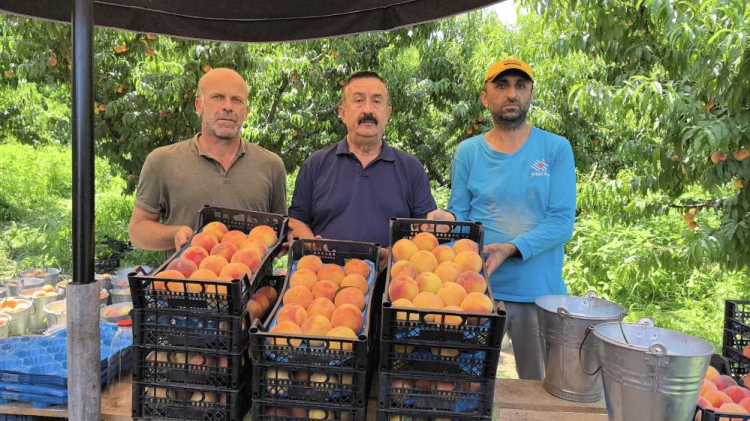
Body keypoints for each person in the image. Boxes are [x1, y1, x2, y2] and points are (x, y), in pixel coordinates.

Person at [447, 58, 576, 380]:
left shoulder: (555, 149)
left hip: (538, 294)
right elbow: (460, 215)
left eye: (521, 86)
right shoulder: (468, 152)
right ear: (485, 97)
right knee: (468, 385)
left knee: (539, 388)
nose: (512, 94)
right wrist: (444, 218)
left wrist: (511, 248)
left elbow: (561, 223)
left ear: (530, 94)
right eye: (502, 85)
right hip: (478, 291)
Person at [288, 71, 452, 249]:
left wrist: (440, 223)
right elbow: (296, 221)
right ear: (343, 113)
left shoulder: (411, 168)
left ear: (387, 114)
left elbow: (425, 230)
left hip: (393, 267)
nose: (367, 110)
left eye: (376, 101)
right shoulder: (315, 164)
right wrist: (313, 246)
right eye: (358, 100)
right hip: (326, 267)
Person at [129, 68, 287, 252]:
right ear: (199, 106)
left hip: (252, 270)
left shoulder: (271, 165)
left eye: (237, 100)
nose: (228, 107)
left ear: (246, 112)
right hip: (189, 271)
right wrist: (176, 234)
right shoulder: (162, 161)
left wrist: (285, 242)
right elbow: (137, 231)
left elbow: (280, 234)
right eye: (218, 97)